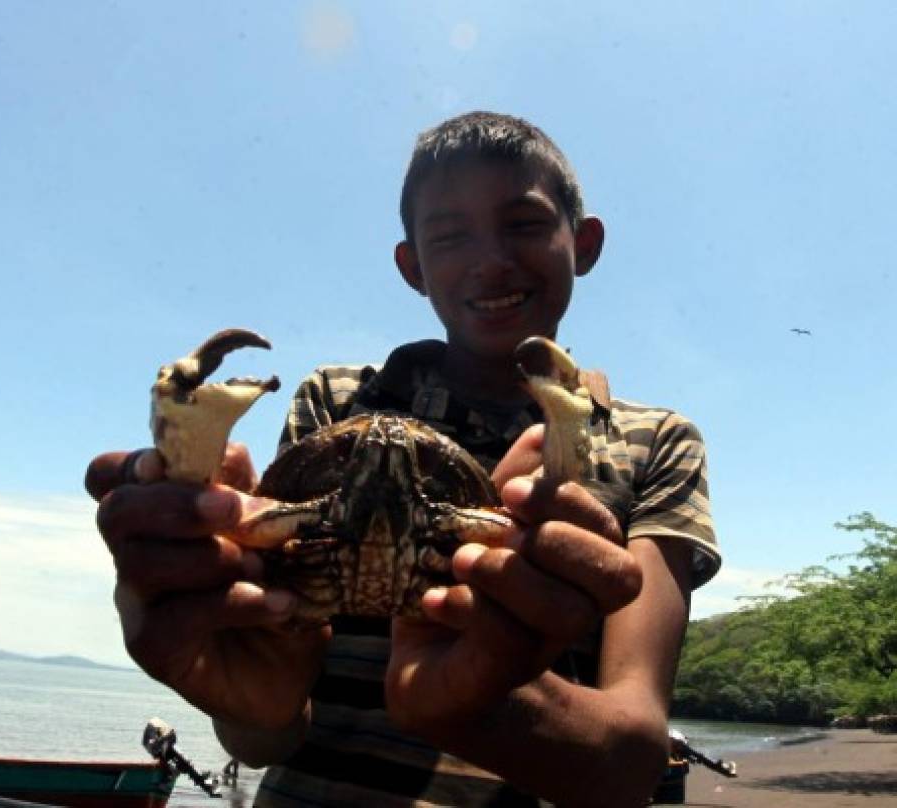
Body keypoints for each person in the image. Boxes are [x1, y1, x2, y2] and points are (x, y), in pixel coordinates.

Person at [86, 112, 720, 807]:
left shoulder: (652, 440)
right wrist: (238, 670)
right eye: (450, 235)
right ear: (411, 265)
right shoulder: (337, 403)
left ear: (586, 242)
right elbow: (265, 727)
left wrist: (473, 699)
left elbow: (630, 760)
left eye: (525, 223)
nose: (490, 259)